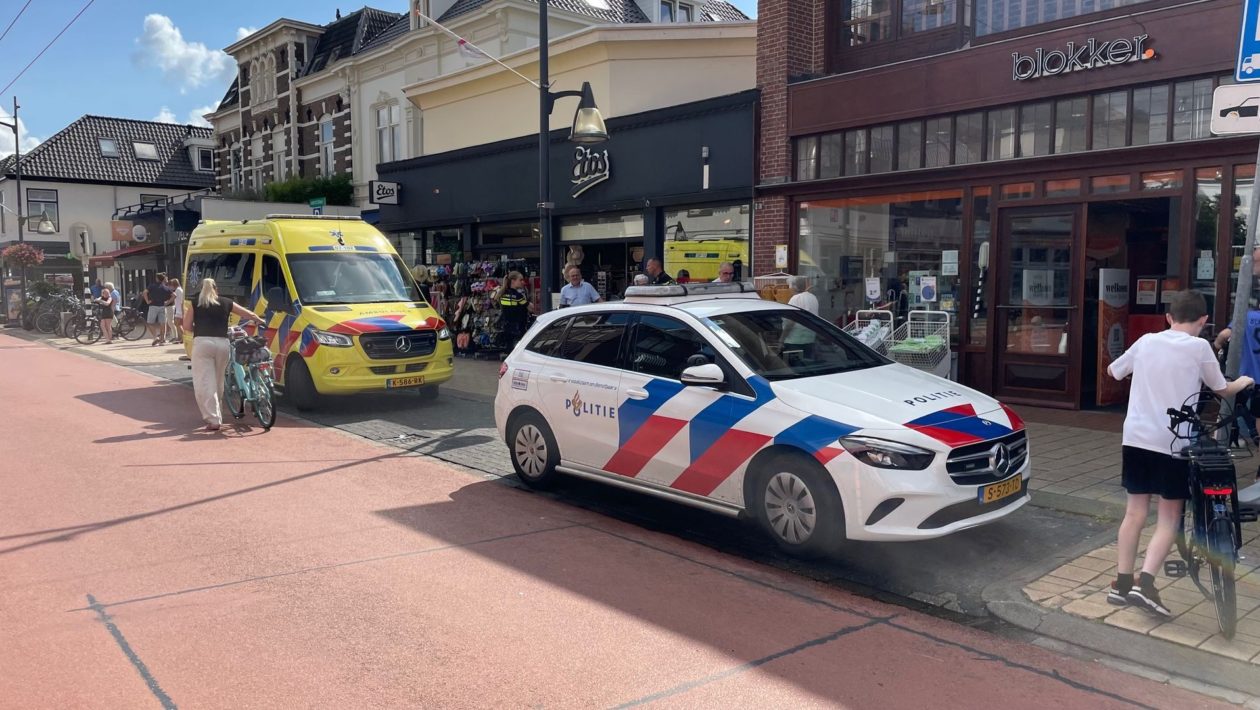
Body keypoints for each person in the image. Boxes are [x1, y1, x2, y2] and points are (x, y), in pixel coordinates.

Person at [1106, 291, 1253, 617]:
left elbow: (1113, 372)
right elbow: (1220, 389)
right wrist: (1242, 381)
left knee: (1134, 513)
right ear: (1203, 321)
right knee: (1170, 517)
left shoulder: (1146, 341)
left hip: (1136, 439)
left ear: (1169, 318)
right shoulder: (1200, 347)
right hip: (1174, 444)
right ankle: (1145, 585)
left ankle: (1121, 583)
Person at [182, 277, 262, 432]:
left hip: (203, 343)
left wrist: (197, 329)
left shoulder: (195, 302)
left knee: (205, 381)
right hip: (222, 343)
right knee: (219, 380)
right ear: (216, 289)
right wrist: (258, 319)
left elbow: (186, 326)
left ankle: (213, 419)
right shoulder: (226, 302)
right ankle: (216, 411)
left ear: (201, 289)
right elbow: (247, 314)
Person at [783, 276, 820, 360]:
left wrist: (782, 339)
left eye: (789, 286)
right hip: (810, 339)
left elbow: (790, 322)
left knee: (795, 366)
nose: (789, 289)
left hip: (795, 341)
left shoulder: (795, 299)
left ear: (794, 287)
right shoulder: (813, 297)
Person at [497, 271, 531, 354]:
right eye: (520, 280)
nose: (523, 282)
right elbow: (531, 308)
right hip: (519, 327)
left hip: (507, 326)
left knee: (509, 349)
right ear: (513, 281)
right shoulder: (518, 295)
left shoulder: (502, 294)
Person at [144, 273, 174, 346]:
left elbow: (145, 292)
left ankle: (155, 337)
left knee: (150, 323)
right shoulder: (165, 287)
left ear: (157, 278)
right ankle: (162, 339)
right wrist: (167, 302)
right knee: (162, 323)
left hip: (153, 306)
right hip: (162, 306)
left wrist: (147, 301)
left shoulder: (152, 286)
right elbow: (174, 295)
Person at [168, 278, 185, 344]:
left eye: (171, 285)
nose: (171, 286)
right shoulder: (179, 289)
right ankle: (180, 338)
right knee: (177, 324)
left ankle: (183, 337)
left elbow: (179, 300)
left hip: (179, 310)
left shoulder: (178, 290)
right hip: (179, 309)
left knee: (177, 324)